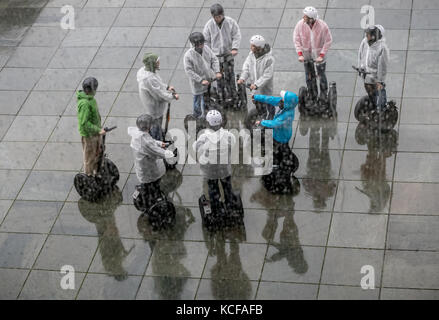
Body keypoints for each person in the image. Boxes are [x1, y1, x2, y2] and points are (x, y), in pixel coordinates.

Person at [193, 110, 236, 214]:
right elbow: (233, 143)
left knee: (213, 188)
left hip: (210, 169)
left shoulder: (204, 136)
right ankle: (229, 205)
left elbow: (195, 147)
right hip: (224, 168)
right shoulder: (228, 135)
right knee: (227, 186)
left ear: (207, 123)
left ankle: (216, 208)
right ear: (221, 121)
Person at [128, 114, 175, 208]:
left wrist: (160, 144)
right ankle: (155, 201)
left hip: (141, 167)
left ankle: (148, 196)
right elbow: (156, 151)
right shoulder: (145, 142)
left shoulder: (138, 134)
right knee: (154, 185)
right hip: (149, 170)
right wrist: (170, 154)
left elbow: (151, 141)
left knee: (148, 185)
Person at [137, 52, 179, 141]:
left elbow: (158, 84)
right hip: (154, 106)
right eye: (157, 62)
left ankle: (157, 133)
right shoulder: (149, 79)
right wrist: (172, 96)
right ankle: (157, 140)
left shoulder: (146, 71)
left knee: (156, 121)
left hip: (151, 103)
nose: (158, 63)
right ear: (152, 64)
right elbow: (159, 94)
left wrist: (166, 87)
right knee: (156, 121)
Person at [293, 6, 332, 102]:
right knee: (309, 75)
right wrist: (300, 54)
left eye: (305, 16)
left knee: (321, 75)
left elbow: (328, 41)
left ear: (311, 19)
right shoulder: (300, 24)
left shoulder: (322, 26)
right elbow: (296, 39)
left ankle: (323, 95)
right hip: (306, 55)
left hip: (319, 56)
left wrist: (321, 55)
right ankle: (312, 94)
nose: (303, 18)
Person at [203, 3, 241, 98]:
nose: (218, 18)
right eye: (216, 17)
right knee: (218, 76)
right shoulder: (209, 25)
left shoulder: (230, 22)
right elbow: (206, 41)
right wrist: (209, 54)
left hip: (228, 54)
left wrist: (234, 48)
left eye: (219, 16)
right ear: (213, 16)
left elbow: (236, 35)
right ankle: (221, 95)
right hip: (215, 56)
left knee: (230, 75)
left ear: (223, 14)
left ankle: (233, 94)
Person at [254, 90, 298, 166]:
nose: (281, 99)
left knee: (278, 150)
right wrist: (256, 97)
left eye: (283, 98)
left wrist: (262, 122)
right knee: (283, 149)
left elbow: (274, 123)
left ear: (287, 102)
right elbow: (270, 99)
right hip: (282, 133)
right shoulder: (286, 105)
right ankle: (286, 158)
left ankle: (277, 164)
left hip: (281, 136)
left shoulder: (287, 115)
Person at [184, 32, 222, 119]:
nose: (201, 45)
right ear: (194, 44)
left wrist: (217, 71)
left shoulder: (206, 49)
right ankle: (197, 116)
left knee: (207, 98)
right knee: (197, 99)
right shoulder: (188, 56)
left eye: (202, 43)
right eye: (199, 43)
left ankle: (206, 115)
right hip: (198, 83)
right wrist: (200, 80)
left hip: (209, 80)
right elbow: (189, 71)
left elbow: (214, 59)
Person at [237, 35, 275, 119]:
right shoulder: (251, 55)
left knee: (268, 102)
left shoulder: (269, 59)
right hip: (254, 86)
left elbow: (267, 75)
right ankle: (262, 116)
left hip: (264, 87)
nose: (251, 47)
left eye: (253, 46)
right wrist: (242, 78)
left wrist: (257, 84)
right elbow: (246, 67)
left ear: (259, 47)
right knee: (257, 102)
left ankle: (270, 116)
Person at [77, 77, 106, 176]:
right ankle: (88, 177)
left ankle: (96, 171)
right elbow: (84, 123)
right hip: (89, 136)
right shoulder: (85, 104)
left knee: (97, 152)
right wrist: (98, 130)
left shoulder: (90, 99)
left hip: (95, 133)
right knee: (89, 157)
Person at [357, 24, 389, 110]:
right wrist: (360, 66)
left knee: (379, 92)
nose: (366, 36)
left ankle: (383, 109)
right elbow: (360, 54)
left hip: (375, 75)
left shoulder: (382, 48)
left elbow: (383, 66)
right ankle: (374, 104)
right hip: (366, 74)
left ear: (374, 36)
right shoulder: (365, 42)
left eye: (368, 34)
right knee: (369, 89)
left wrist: (380, 80)